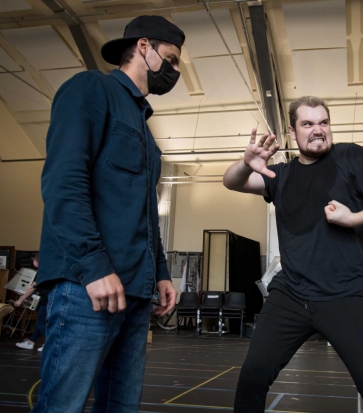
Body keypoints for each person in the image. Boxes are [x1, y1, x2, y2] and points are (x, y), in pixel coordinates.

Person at [223, 96, 363, 413]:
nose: (318, 130)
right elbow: (231, 182)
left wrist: (353, 218)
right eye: (308, 124)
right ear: (293, 131)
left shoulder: (350, 157)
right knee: (251, 379)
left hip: (347, 293)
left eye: (323, 122)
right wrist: (246, 163)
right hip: (291, 294)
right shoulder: (280, 175)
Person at [33, 15, 181, 413]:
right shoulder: (90, 89)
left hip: (134, 293)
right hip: (87, 288)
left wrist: (161, 272)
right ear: (144, 47)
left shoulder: (147, 133)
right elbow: (63, 182)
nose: (176, 71)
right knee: (61, 407)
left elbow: (148, 214)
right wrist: (94, 266)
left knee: (121, 407)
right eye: (172, 58)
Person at [15, 254, 48, 352]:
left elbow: (32, 288)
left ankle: (51, 343)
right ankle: (31, 341)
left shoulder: (41, 272)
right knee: (40, 322)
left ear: (37, 261)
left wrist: (20, 299)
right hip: (49, 298)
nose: (33, 262)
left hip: (47, 299)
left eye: (34, 260)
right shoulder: (48, 271)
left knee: (41, 322)